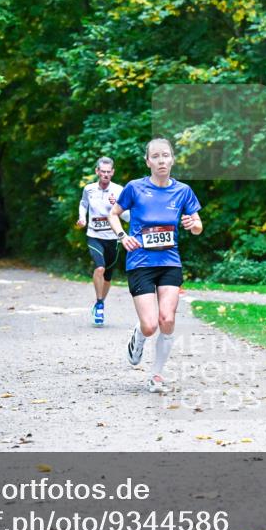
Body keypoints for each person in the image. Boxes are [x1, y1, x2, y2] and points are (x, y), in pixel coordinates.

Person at [108, 138, 202, 393]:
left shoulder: (183, 191)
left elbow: (197, 225)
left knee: (167, 319)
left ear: (172, 159)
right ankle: (138, 338)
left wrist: (192, 225)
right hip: (140, 262)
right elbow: (113, 214)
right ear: (148, 161)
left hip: (170, 262)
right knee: (150, 325)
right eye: (156, 156)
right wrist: (122, 237)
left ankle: (156, 375)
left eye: (166, 156)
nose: (161, 160)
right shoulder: (135, 188)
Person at [77, 156, 129, 326]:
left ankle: (100, 303)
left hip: (113, 238)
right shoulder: (89, 189)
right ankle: (99, 305)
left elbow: (128, 216)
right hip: (94, 235)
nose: (105, 175)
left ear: (112, 172)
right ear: (97, 171)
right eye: (102, 172)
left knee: (107, 277)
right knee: (99, 268)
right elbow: (83, 204)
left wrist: (118, 208)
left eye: (109, 172)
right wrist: (82, 218)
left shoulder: (119, 190)